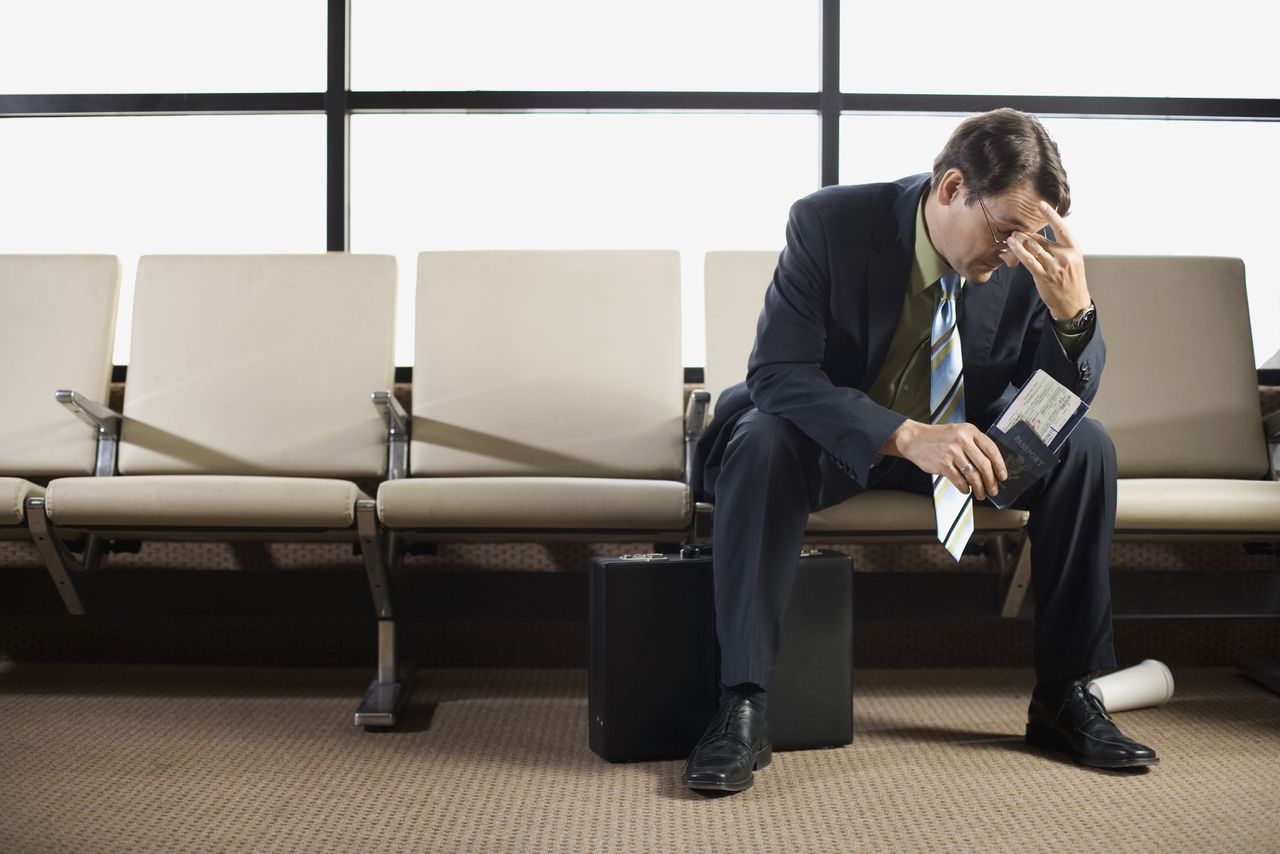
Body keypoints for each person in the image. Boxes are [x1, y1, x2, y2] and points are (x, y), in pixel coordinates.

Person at [683, 108, 1158, 795]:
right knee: (760, 438)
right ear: (951, 188)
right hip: (839, 441)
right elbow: (778, 373)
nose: (1014, 253)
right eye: (1003, 232)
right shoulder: (830, 224)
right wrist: (906, 434)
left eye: (1031, 238)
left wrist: (1073, 319)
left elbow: (1050, 406)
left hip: (964, 446)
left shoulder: (1027, 255)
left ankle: (1066, 694)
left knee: (1085, 447)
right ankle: (743, 703)